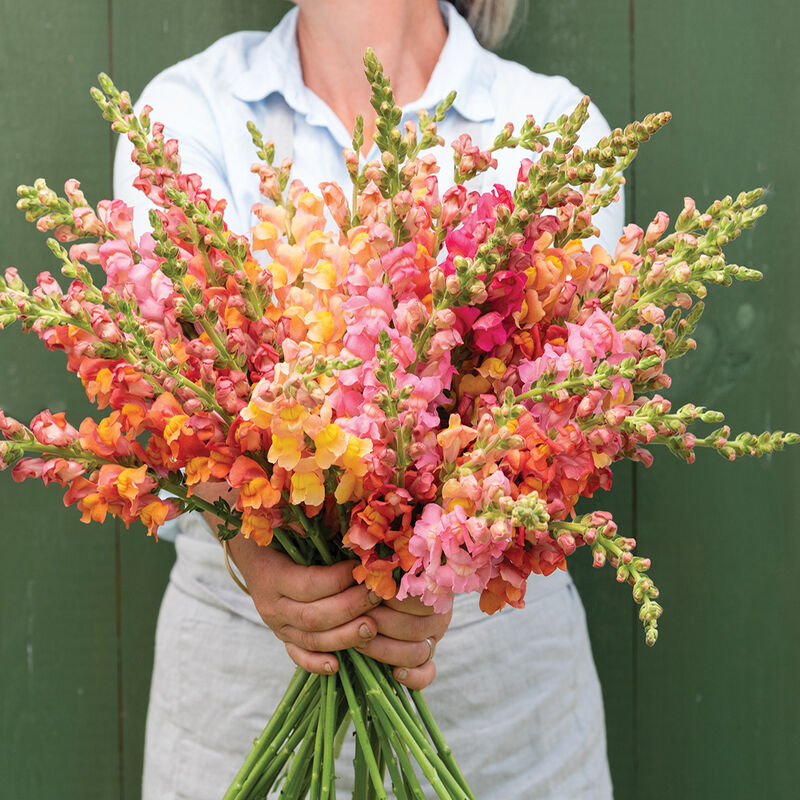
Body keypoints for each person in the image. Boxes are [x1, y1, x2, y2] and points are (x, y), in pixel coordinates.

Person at [113, 2, 622, 797]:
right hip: (237, 685)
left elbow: (560, 413)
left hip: (498, 708)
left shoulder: (554, 125)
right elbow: (162, 383)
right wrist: (251, 548)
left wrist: (445, 561)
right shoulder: (187, 111)